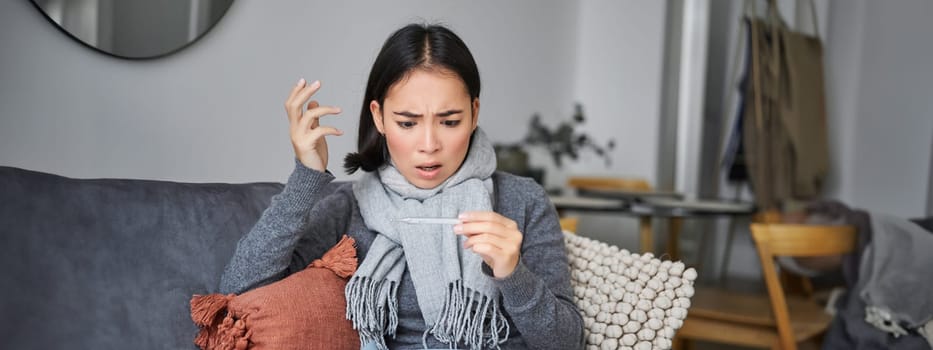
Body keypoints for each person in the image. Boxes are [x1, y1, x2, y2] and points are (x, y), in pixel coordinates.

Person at [220, 23, 584, 350]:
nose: (429, 144)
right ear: (378, 117)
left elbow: (567, 343)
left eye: (450, 121)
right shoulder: (351, 208)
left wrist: (511, 272)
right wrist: (306, 175)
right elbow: (240, 292)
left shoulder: (522, 201)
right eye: (408, 123)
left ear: (474, 114)